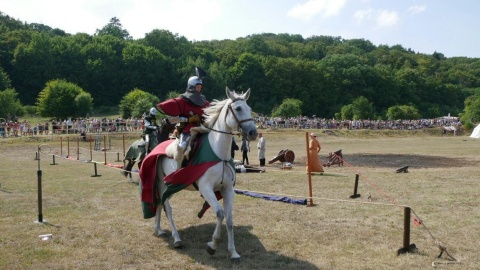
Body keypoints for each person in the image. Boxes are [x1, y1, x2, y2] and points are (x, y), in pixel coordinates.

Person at [157, 67, 209, 152]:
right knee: (182, 146)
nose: (200, 88)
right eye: (198, 86)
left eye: (200, 86)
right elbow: (173, 119)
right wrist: (188, 119)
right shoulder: (182, 101)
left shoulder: (205, 102)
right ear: (192, 86)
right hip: (187, 129)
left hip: (202, 127)